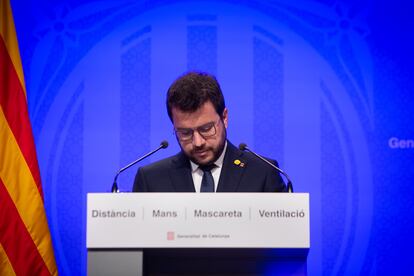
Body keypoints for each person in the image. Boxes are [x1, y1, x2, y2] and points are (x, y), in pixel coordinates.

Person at [133, 71, 286, 192]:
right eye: (185, 133)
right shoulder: (151, 180)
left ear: (224, 118)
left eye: (206, 129)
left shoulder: (263, 172)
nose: (198, 142)